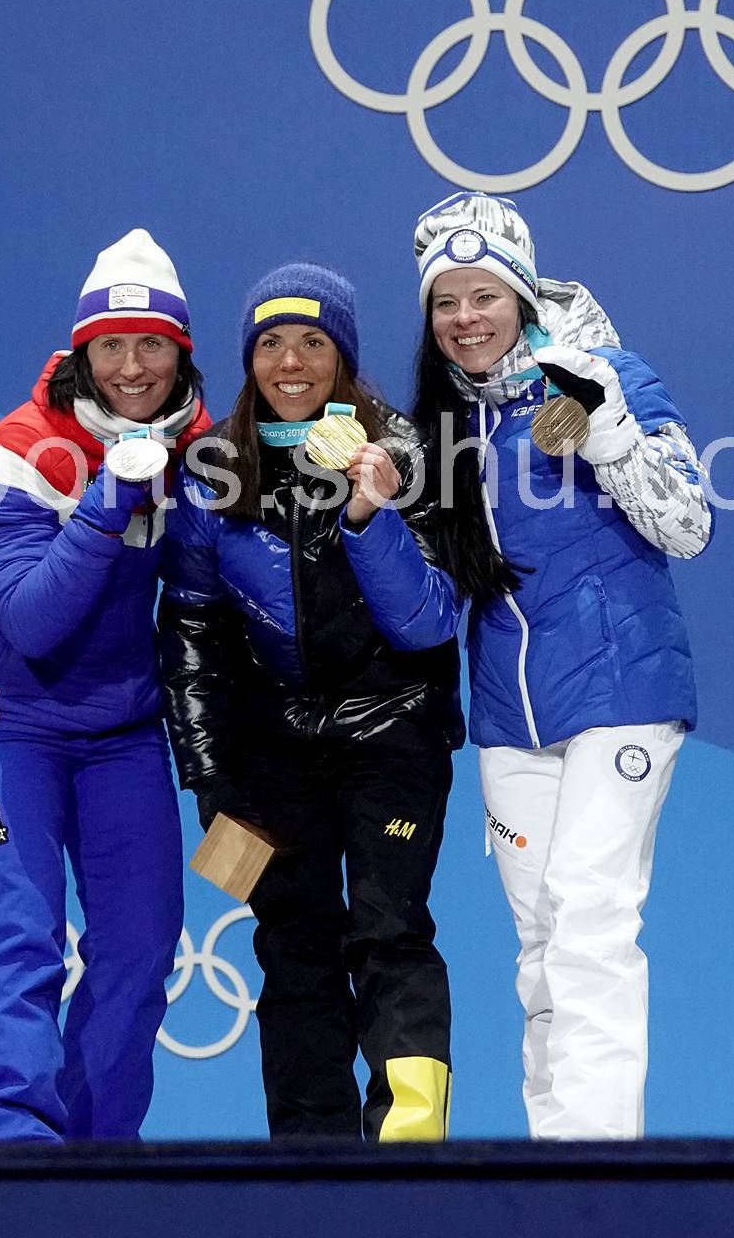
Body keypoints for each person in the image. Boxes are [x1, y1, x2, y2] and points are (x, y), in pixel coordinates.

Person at [411, 191, 713, 1141]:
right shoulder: (443, 426)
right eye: (445, 302)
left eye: (484, 296)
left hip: (622, 693)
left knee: (589, 924)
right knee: (541, 948)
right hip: (510, 717)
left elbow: (691, 525)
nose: (466, 318)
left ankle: (601, 1177)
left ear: (524, 294)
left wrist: (610, 430)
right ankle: (557, 1169)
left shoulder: (607, 377)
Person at [158, 262, 463, 1141]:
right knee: (293, 948)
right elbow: (190, 635)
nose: (291, 362)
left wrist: (372, 518)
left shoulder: (405, 451)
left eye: (314, 342)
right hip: (269, 753)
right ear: (249, 358)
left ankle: (409, 1151)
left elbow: (428, 624)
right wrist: (213, 782)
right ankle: (310, 1167)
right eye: (271, 344)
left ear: (345, 355)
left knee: (389, 932)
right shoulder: (215, 466)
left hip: (392, 731)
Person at [0, 229, 210, 1142]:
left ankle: (94, 1164)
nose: (133, 367)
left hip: (122, 734)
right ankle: (11, 1152)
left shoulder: (201, 446)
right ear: (82, 352)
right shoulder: (17, 451)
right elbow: (31, 622)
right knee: (24, 930)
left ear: (181, 350)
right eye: (112, 346)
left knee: (139, 949)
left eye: (152, 345)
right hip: (9, 724)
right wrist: (109, 498)